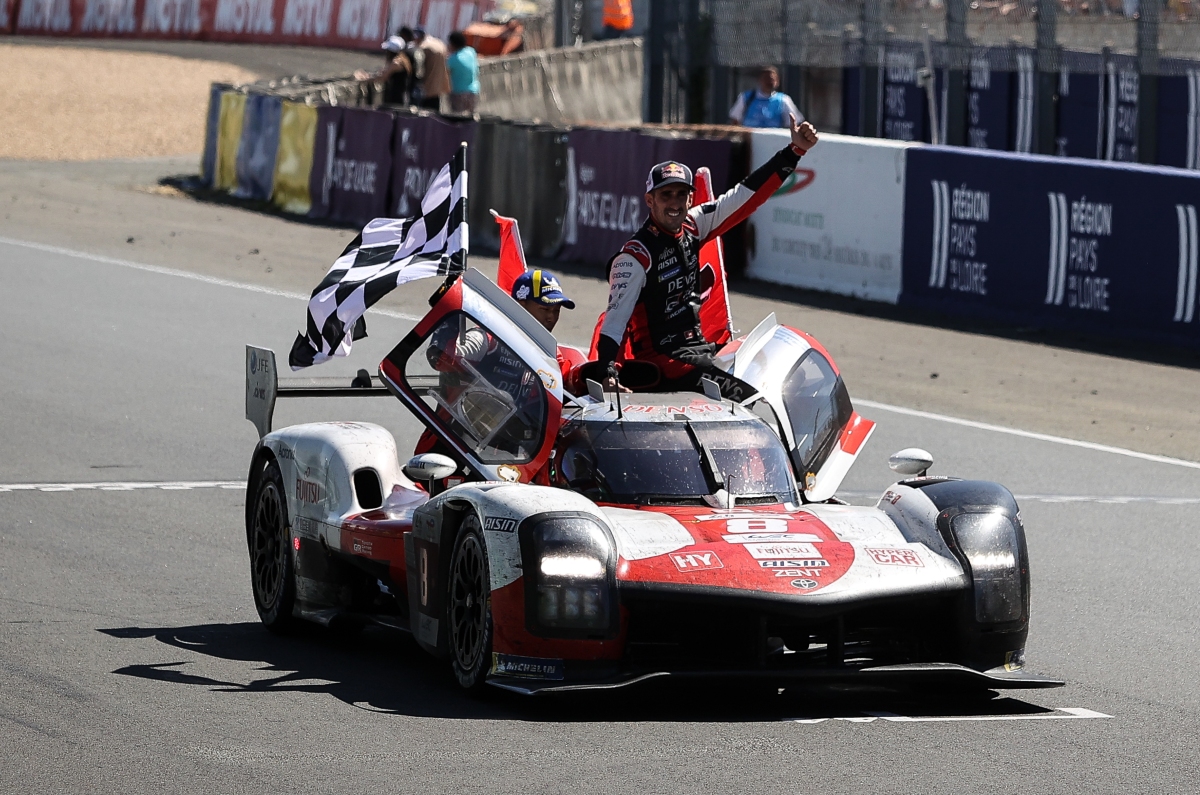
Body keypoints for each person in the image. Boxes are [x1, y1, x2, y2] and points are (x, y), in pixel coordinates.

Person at [595, 115, 819, 391]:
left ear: (691, 198)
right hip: (665, 363)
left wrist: (794, 151)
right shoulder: (634, 256)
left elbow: (745, 197)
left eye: (681, 194)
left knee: (770, 364)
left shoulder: (694, 224)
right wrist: (608, 374)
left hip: (700, 350)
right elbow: (614, 323)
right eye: (666, 195)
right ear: (650, 200)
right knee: (752, 394)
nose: (674, 202)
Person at [729, 66, 804, 129]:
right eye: (766, 78)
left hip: (772, 141)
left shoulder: (784, 100)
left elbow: (794, 123)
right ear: (760, 80)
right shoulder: (746, 97)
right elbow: (735, 120)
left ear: (777, 82)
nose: (769, 82)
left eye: (772, 79)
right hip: (750, 140)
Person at [354, 34, 413, 105]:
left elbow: (383, 77)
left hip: (396, 98)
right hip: (397, 95)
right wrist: (367, 75)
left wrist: (364, 79)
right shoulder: (401, 60)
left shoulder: (396, 63)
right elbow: (384, 72)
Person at [413, 26, 451, 112]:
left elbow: (419, 68)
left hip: (427, 85)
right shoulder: (439, 43)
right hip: (439, 84)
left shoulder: (424, 47)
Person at [446, 31, 481, 114]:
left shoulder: (453, 59)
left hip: (458, 93)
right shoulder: (471, 52)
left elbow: (446, 74)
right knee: (471, 118)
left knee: (458, 119)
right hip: (473, 91)